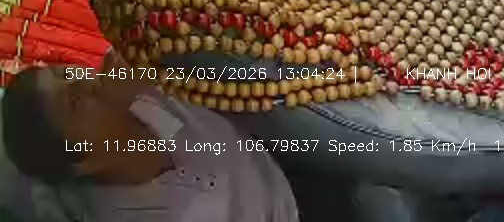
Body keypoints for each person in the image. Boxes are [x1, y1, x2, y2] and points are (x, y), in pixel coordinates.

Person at [1, 52, 298, 222]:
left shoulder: (135, 85)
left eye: (67, 73)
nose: (87, 81)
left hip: (278, 164)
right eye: (75, 102)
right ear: (86, 161)